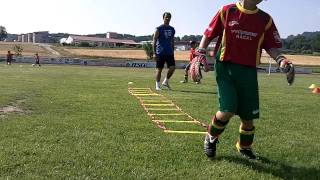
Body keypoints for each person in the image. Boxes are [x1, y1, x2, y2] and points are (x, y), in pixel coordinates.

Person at [199, 0, 295, 160]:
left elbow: (271, 45)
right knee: (227, 109)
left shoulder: (265, 19)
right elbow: (208, 33)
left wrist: (281, 59)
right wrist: (201, 51)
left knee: (248, 117)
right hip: (225, 68)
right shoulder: (227, 11)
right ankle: (211, 136)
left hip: (249, 71)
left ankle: (244, 147)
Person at [153, 12, 176, 90]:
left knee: (172, 68)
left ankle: (165, 81)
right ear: (163, 18)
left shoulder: (172, 29)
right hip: (160, 52)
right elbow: (154, 41)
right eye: (166, 17)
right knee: (159, 69)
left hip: (169, 52)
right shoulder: (158, 29)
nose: (167, 18)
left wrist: (173, 50)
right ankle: (157, 85)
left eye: (169, 17)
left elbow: (172, 41)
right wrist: (154, 53)